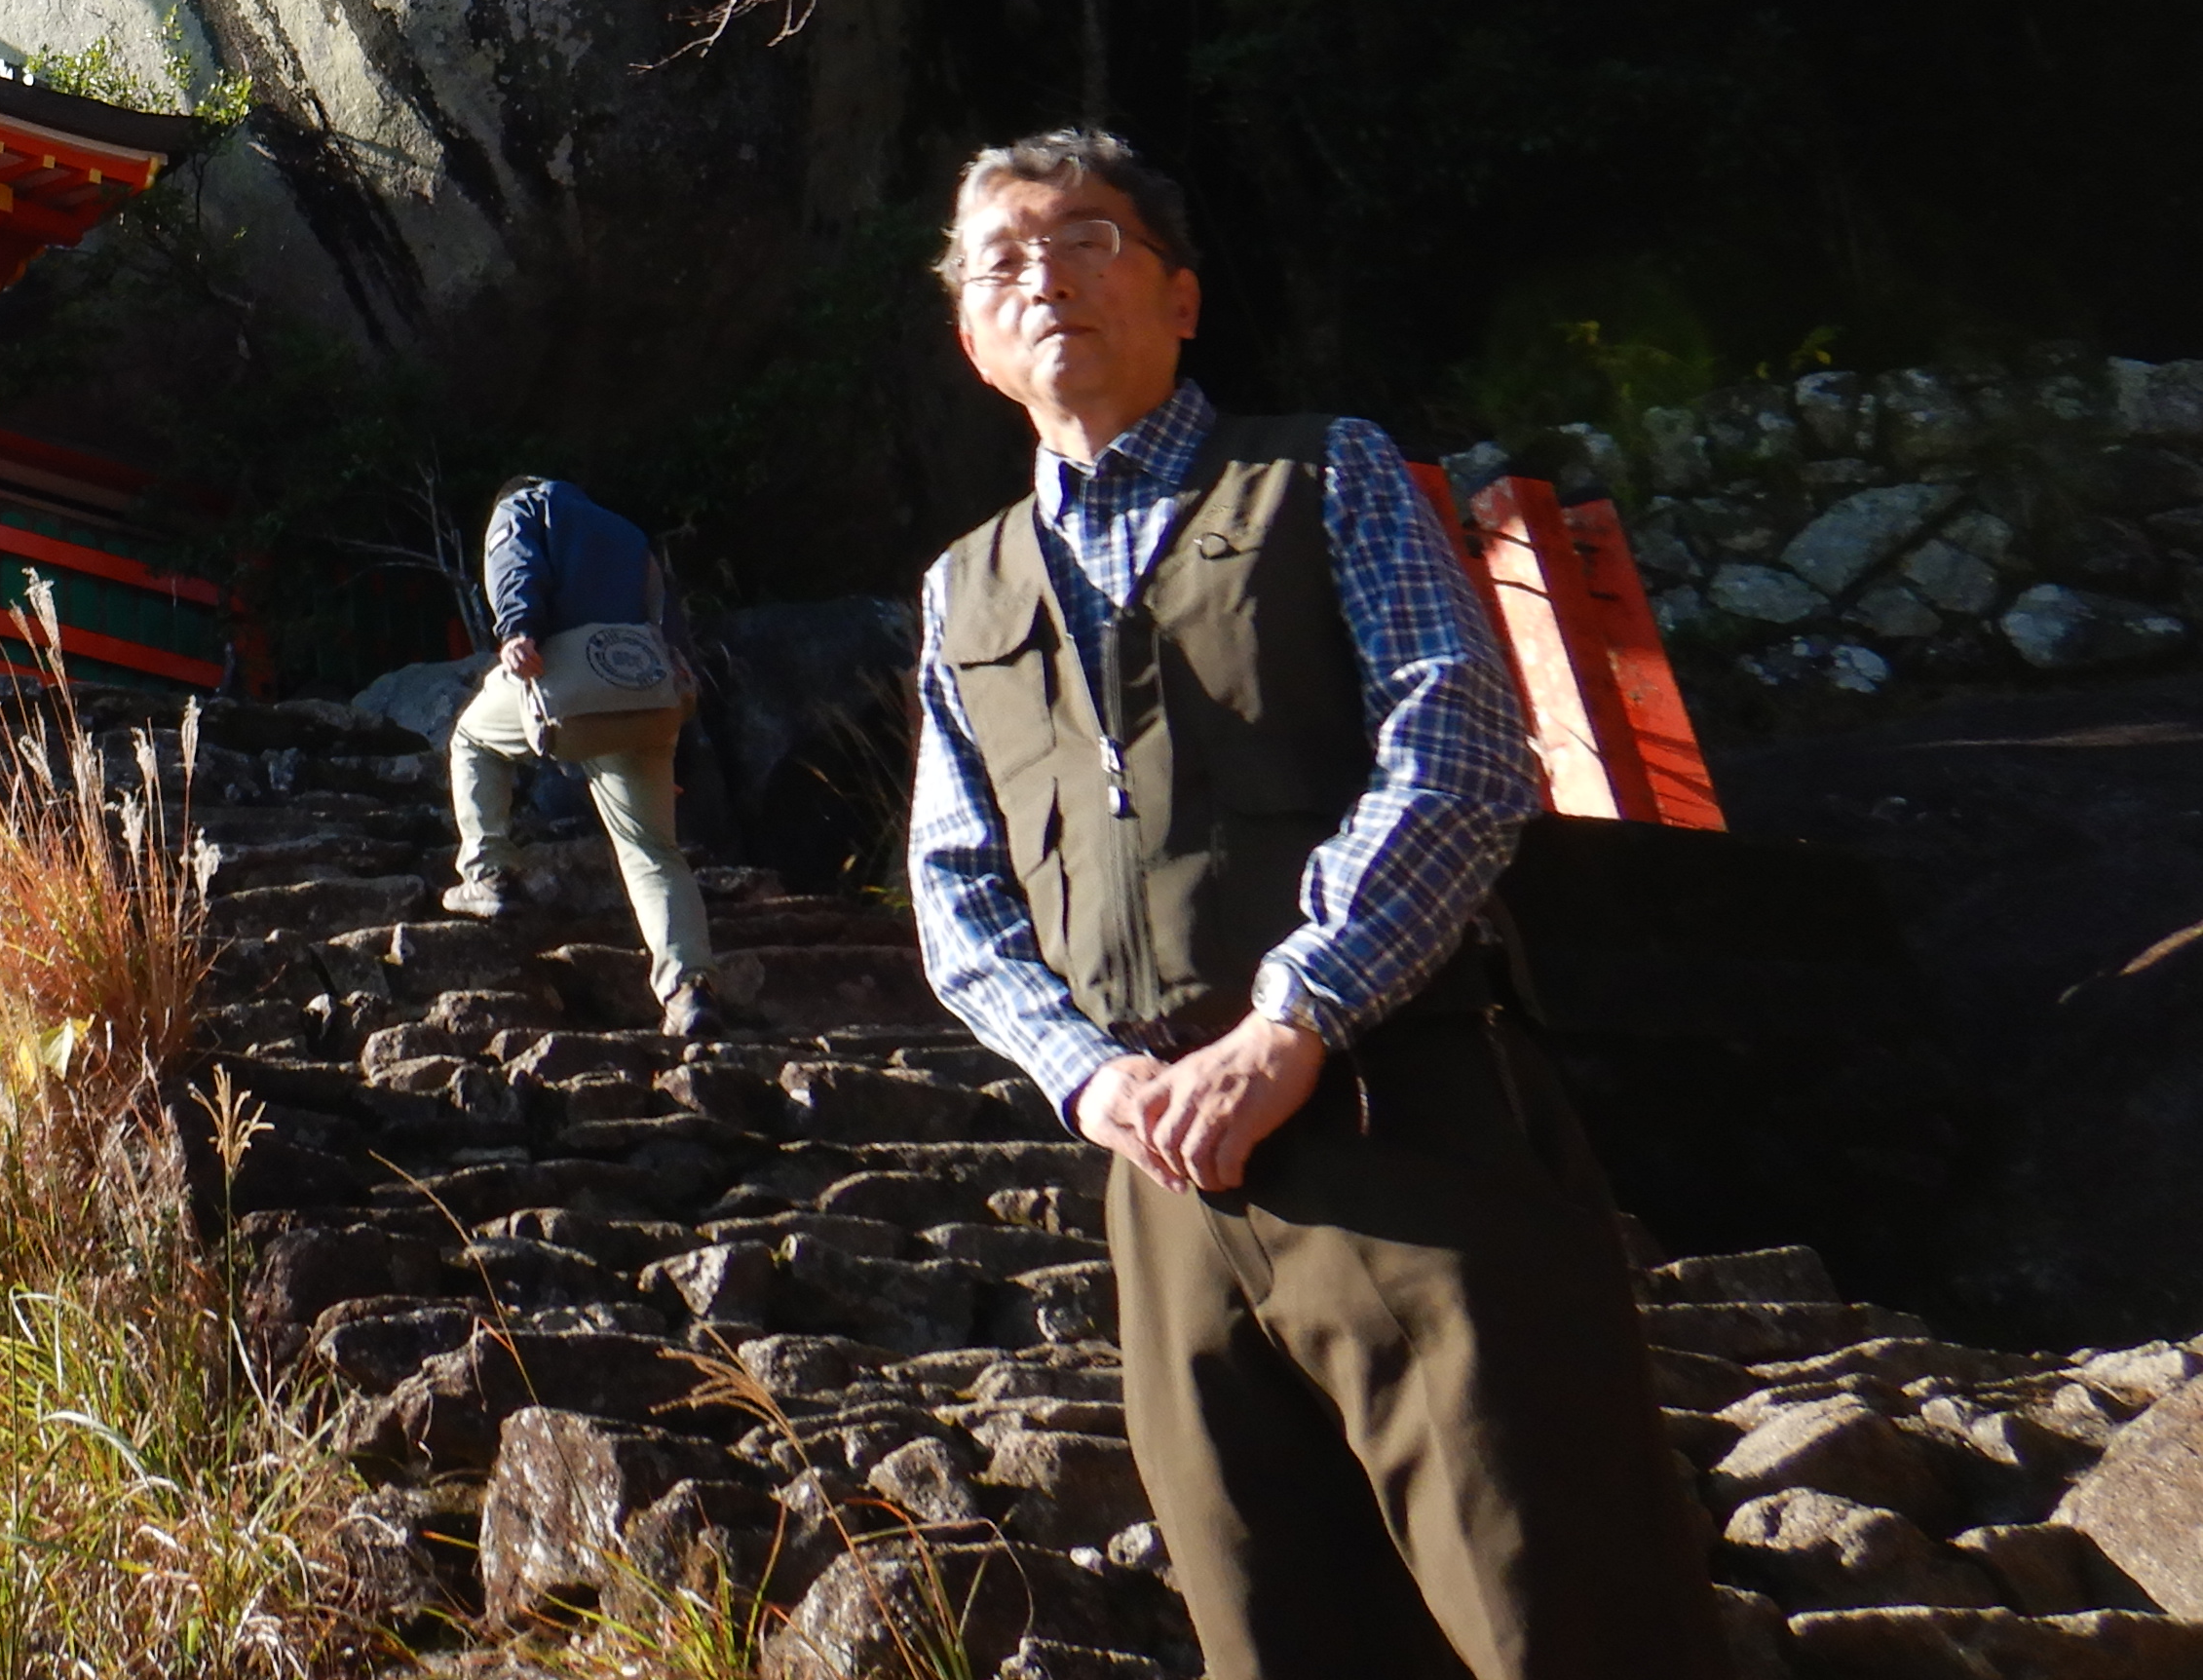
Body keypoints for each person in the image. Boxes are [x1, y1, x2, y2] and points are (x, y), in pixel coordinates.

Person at [902, 129, 1720, 1680]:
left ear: (1182, 294)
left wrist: (1297, 1014)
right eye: (1002, 258)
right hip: (1166, 1182)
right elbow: (954, 890)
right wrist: (1091, 1075)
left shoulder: (1322, 470)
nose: (1044, 278)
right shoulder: (965, 589)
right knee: (1271, 1629)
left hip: (1406, 1117)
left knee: (1560, 1609)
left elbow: (1460, 744)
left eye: (1087, 239)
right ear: (967, 334)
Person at [444, 476, 723, 1040]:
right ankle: (688, 989)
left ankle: (490, 872)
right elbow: (668, 617)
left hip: (566, 685)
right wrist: (678, 731)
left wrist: (517, 627)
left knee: (471, 739)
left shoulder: (522, 506)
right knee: (653, 851)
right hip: (646, 695)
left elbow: (515, 563)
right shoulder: (623, 530)